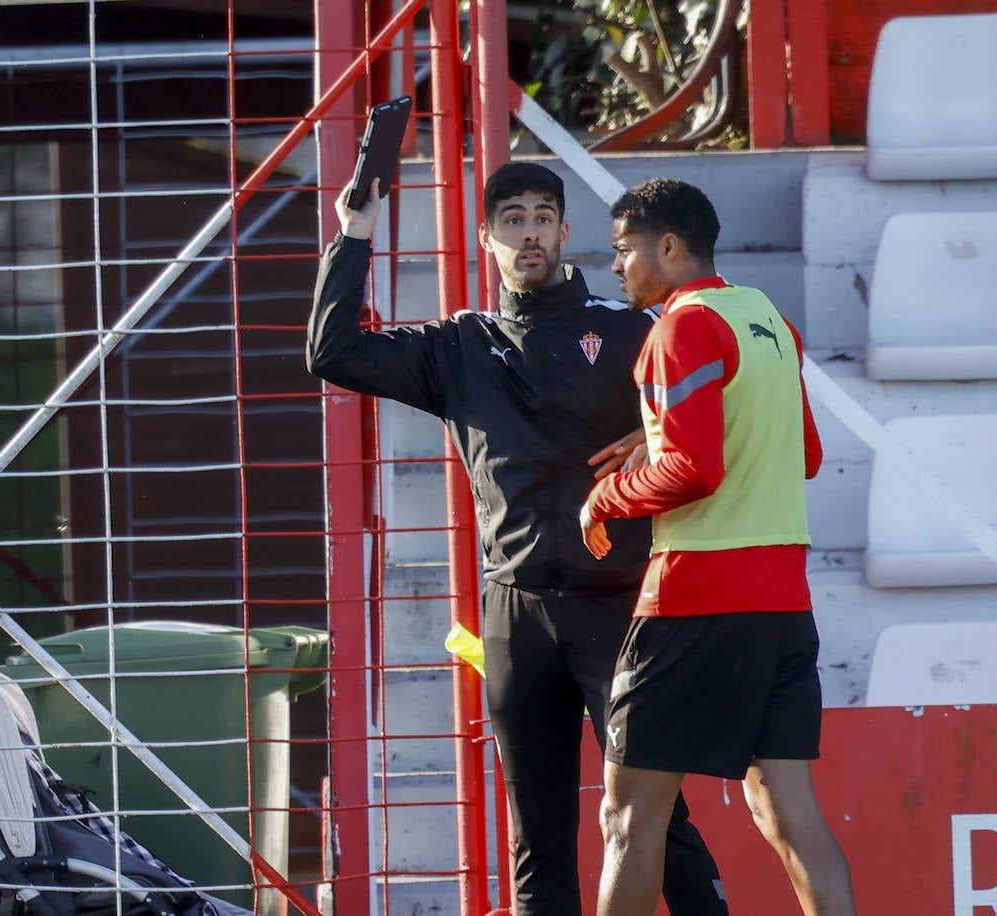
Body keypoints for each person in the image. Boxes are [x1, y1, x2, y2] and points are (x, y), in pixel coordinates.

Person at [307, 162, 727, 915]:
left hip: (621, 611)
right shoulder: (458, 347)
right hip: (516, 616)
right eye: (511, 218)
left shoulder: (633, 328)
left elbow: (725, 397)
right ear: (487, 238)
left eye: (541, 217)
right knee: (537, 838)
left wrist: (655, 427)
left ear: (565, 234)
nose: (528, 231)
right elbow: (332, 353)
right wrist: (355, 233)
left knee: (661, 821)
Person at [579, 178, 857, 916]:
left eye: (623, 249)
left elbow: (694, 470)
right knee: (788, 814)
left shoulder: (678, 329)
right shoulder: (767, 317)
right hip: (784, 604)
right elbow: (803, 454)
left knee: (629, 820)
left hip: (694, 598)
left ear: (667, 246)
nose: (616, 266)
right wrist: (664, 435)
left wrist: (605, 497)